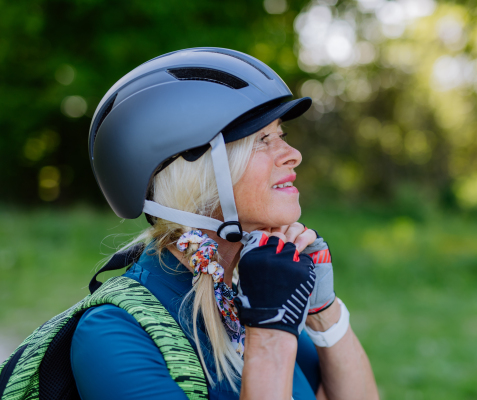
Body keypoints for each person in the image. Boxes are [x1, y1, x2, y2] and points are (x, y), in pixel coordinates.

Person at [61, 48, 379, 399]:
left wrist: (323, 311)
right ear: (194, 173)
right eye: (262, 140)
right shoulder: (115, 334)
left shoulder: (245, 293)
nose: (292, 154)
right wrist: (270, 332)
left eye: (281, 135)